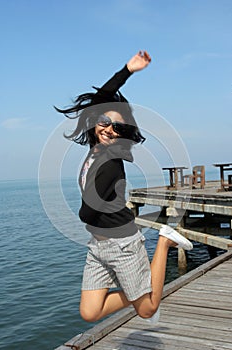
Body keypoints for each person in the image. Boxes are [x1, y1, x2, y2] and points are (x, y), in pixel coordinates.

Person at [55, 50, 193, 323]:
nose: (108, 129)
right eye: (104, 122)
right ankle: (137, 288)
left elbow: (88, 211)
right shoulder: (96, 147)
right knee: (89, 312)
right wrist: (127, 70)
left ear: (123, 131)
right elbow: (100, 99)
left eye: (116, 126)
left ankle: (164, 241)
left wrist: (81, 217)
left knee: (148, 309)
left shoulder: (112, 158)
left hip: (123, 244)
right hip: (98, 245)